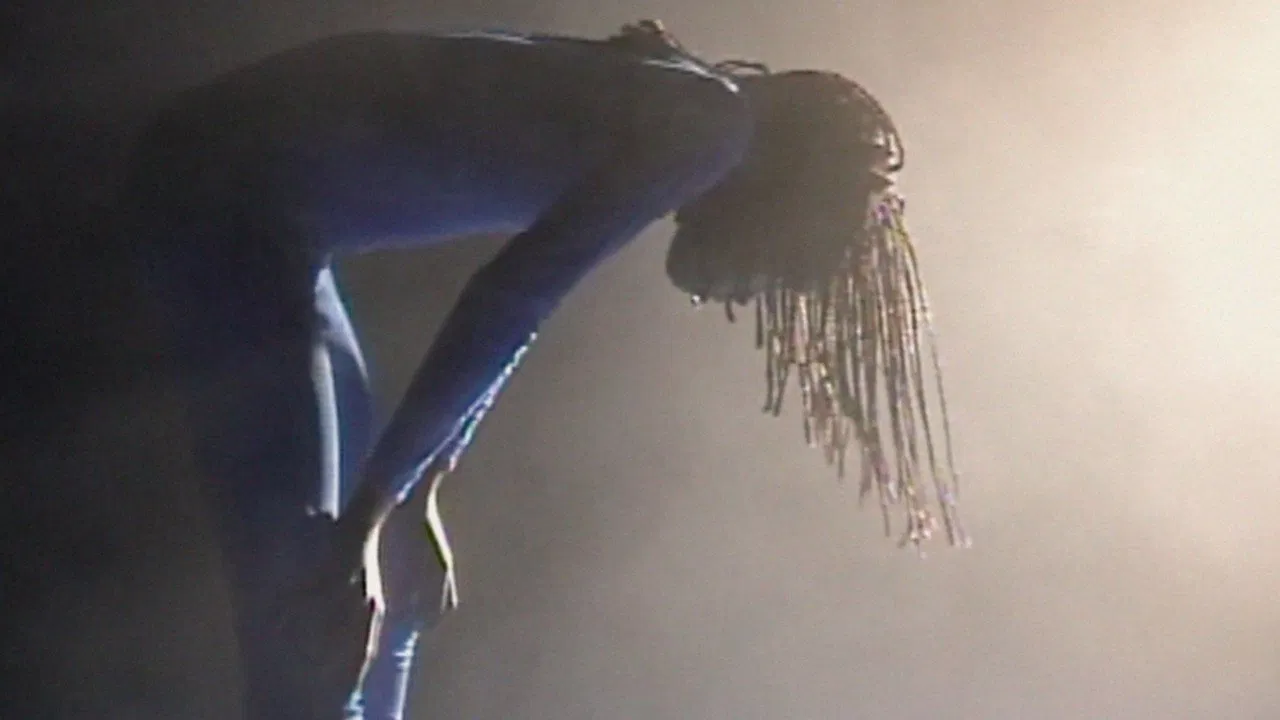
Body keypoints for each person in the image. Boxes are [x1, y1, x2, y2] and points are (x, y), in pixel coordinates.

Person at [120, 19, 963, 720]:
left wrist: (415, 493)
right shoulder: (709, 127)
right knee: (313, 607)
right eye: (779, 268)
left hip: (262, 215)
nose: (750, 289)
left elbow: (513, 308)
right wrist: (373, 512)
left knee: (385, 594)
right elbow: (510, 301)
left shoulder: (694, 110)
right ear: (791, 197)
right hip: (223, 190)